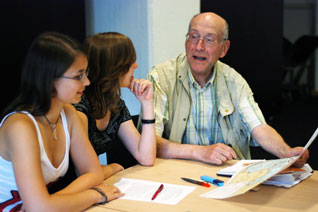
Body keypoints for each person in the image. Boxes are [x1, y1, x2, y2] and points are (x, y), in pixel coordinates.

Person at [148, 12, 309, 167]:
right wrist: (200, 152)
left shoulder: (234, 81)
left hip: (227, 174)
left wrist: (286, 152)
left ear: (224, 48)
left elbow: (258, 127)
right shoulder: (161, 78)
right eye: (194, 37)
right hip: (178, 175)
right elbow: (150, 141)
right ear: (186, 42)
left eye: (209, 39)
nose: (199, 46)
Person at [0, 32, 123, 212]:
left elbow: (94, 173)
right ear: (50, 80)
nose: (87, 82)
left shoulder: (68, 114)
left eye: (86, 73)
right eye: (78, 76)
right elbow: (39, 208)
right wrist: (96, 195)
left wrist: (51, 201)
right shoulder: (20, 126)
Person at [74, 32, 156, 178]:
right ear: (114, 68)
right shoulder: (79, 106)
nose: (136, 66)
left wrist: (147, 103)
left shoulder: (114, 104)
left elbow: (146, 158)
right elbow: (84, 173)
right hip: (66, 192)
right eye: (130, 62)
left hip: (91, 185)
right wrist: (113, 167)